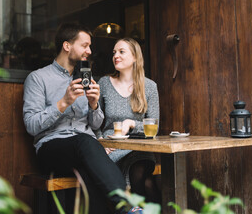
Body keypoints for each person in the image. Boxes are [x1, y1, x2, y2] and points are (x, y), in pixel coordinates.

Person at [23, 23, 137, 214]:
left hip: (84, 151)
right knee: (86, 142)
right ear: (67, 46)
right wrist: (63, 103)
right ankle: (127, 207)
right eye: (85, 45)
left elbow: (95, 124)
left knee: (89, 174)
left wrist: (94, 105)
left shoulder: (84, 78)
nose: (89, 51)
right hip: (51, 149)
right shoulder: (37, 78)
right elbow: (31, 126)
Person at [98, 37, 161, 202]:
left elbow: (154, 127)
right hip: (111, 148)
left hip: (139, 147)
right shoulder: (104, 83)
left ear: (135, 57)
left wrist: (131, 123)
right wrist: (99, 141)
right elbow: (93, 119)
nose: (115, 56)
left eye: (121, 52)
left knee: (140, 172)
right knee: (146, 182)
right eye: (114, 53)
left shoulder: (149, 87)